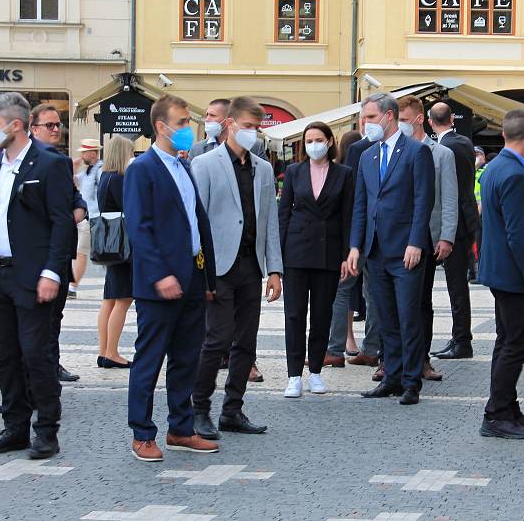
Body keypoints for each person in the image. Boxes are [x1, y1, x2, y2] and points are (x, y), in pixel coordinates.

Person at [0, 92, 74, 458]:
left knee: (36, 354)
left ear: (15, 125)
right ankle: (14, 428)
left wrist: (53, 271)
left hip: (32, 275)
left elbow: (62, 222)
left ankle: (46, 431)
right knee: (4, 354)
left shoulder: (50, 164)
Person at [125, 94, 219, 462]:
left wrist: (208, 278)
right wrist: (160, 274)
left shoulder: (184, 166)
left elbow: (198, 223)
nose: (188, 129)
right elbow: (139, 228)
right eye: (181, 123)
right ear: (161, 127)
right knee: (149, 359)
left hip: (192, 277)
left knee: (186, 358)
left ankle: (181, 428)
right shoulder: (142, 169)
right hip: (159, 282)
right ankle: (142, 433)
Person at [191, 96, 283, 439]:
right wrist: (199, 270)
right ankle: (199, 409)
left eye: (256, 128)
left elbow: (269, 220)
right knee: (215, 340)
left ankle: (233, 409)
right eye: (247, 127)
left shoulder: (263, 168)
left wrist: (275, 269)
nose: (253, 134)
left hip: (250, 266)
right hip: (216, 266)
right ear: (230, 124)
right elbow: (196, 221)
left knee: (246, 341)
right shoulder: (205, 164)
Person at [347, 92, 434, 406]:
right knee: (384, 317)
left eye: (370, 117)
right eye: (364, 117)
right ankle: (392, 376)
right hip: (374, 249)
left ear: (389, 116)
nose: (365, 123)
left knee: (409, 317)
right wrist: (355, 245)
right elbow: (361, 204)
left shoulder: (416, 152)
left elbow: (424, 200)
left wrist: (415, 241)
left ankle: (411, 381)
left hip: (405, 250)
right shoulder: (368, 156)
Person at [478, 109, 524, 440]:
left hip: (500, 271)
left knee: (508, 341)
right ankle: (496, 414)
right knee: (517, 344)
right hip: (514, 275)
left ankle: (506, 408)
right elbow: (518, 235)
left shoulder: (496, 168)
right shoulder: (517, 175)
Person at [279, 121, 353, 397]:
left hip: (328, 254)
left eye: (318, 139)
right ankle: (293, 375)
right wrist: (279, 257)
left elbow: (348, 217)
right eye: (309, 141)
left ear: (330, 141)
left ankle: (316, 372)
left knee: (322, 316)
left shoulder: (344, 174)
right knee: (295, 315)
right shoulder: (294, 171)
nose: (314, 145)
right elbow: (283, 213)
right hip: (296, 252)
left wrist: (347, 254)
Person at [397, 95, 457, 382]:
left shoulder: (441, 153)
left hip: (427, 238)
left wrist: (447, 236)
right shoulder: (391, 150)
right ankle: (390, 360)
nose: (399, 126)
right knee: (387, 303)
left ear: (420, 119)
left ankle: (421, 359)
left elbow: (450, 198)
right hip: (392, 238)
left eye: (404, 120)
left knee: (421, 303)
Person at [29, 103, 85, 383]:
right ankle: (34, 374)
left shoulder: (60, 161)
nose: (55, 129)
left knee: (56, 316)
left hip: (61, 252)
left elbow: (77, 200)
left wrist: (74, 213)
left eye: (58, 125)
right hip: (35, 252)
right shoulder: (26, 162)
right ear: (33, 128)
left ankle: (52, 364)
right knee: (34, 321)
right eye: (49, 125)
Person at [327, 122, 383, 371]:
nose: (367, 122)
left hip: (361, 232)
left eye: (370, 116)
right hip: (374, 231)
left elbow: (352, 194)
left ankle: (336, 349)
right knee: (372, 291)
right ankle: (370, 349)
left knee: (346, 288)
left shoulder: (359, 149)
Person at [428, 102, 480, 361]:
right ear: (451, 118)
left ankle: (462, 340)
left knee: (457, 286)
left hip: (454, 223)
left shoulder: (445, 148)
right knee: (457, 285)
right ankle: (459, 337)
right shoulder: (464, 142)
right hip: (464, 219)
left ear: (429, 121)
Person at [96, 136, 134, 369]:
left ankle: (104, 350)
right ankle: (112, 352)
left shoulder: (105, 177)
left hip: (110, 244)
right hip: (123, 245)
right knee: (123, 299)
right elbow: (130, 208)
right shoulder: (119, 179)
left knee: (109, 299)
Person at [71, 139, 103, 299]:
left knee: (81, 253)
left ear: (92, 153)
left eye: (84, 152)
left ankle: (73, 287)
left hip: (94, 218)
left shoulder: (100, 169)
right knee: (82, 252)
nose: (82, 155)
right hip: (87, 219)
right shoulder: (87, 171)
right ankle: (73, 285)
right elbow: (76, 184)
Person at [190, 98, 268, 160]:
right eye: (207, 115)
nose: (207, 119)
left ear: (228, 119)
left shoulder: (255, 147)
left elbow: (266, 177)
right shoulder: (197, 149)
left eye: (212, 115)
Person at [470, 146, 488, 283]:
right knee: (473, 244)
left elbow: (482, 195)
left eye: (478, 154)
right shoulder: (472, 171)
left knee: (481, 243)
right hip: (472, 212)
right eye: (474, 154)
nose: (476, 157)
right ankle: (473, 273)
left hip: (482, 213)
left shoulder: (486, 170)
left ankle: (481, 273)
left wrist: (479, 211)